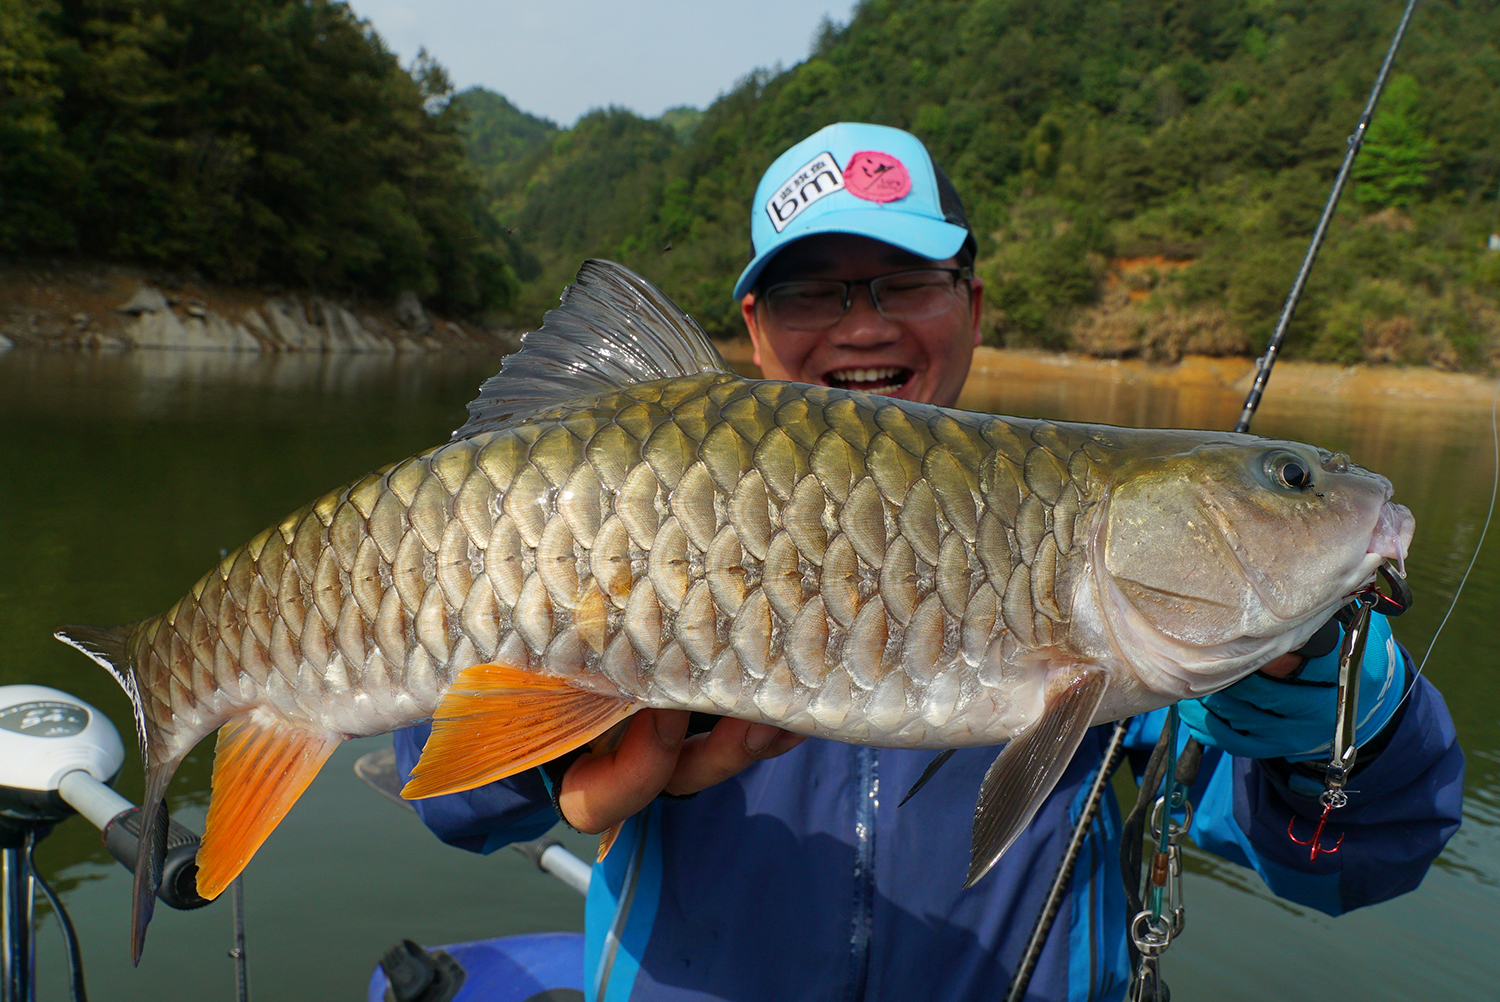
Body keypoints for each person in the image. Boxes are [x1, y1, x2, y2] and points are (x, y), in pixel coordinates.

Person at [393, 123, 1464, 1001]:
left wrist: (1329, 701)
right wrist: (554, 746)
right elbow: (445, 801)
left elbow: (1352, 859)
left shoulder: (1139, 613)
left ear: (971, 305)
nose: (862, 327)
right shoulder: (637, 508)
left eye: (903, 280)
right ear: (753, 327)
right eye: (817, 292)